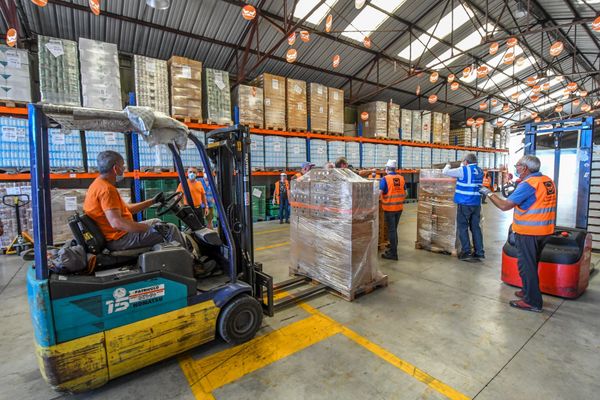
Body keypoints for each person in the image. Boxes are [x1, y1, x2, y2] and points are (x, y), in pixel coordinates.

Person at [480, 155, 556, 313]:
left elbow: (504, 205)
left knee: (526, 266)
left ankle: (532, 301)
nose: (516, 167)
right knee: (532, 263)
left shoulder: (529, 184)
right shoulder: (547, 180)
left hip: (529, 232)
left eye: (518, 165)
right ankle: (528, 291)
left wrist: (488, 193)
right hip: (545, 230)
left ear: (526, 168)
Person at [83, 150, 185, 251]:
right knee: (170, 229)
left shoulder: (98, 184)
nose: (124, 169)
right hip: (119, 239)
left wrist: (152, 201)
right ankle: (184, 261)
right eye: (122, 166)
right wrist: (148, 229)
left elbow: (127, 210)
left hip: (117, 234)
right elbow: (117, 223)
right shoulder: (107, 190)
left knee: (157, 221)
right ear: (115, 168)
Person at [443, 153, 484, 261]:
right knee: (475, 227)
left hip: (465, 203)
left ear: (466, 162)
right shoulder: (480, 171)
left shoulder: (463, 170)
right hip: (476, 204)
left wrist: (448, 164)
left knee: (463, 227)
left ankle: (466, 252)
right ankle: (479, 252)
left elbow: (445, 172)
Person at [380, 159, 406, 260]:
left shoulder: (385, 179)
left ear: (387, 169)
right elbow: (405, 194)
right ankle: (393, 247)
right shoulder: (401, 178)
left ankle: (393, 254)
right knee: (394, 229)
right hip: (399, 208)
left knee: (391, 230)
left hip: (389, 208)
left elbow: (379, 193)